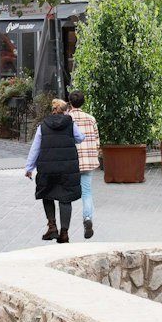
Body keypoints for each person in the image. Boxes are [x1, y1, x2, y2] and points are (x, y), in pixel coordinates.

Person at [25, 98, 84, 243]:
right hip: (67, 168)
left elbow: (36, 148)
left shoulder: (43, 126)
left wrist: (29, 167)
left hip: (47, 167)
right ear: (66, 110)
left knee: (47, 194)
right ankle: (64, 233)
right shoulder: (70, 124)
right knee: (66, 198)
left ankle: (52, 227)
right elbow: (80, 138)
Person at [66, 90, 101, 239]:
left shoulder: (67, 119)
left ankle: (63, 226)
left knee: (66, 193)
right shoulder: (91, 119)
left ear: (70, 102)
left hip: (72, 161)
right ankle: (87, 218)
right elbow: (97, 141)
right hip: (88, 160)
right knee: (87, 192)